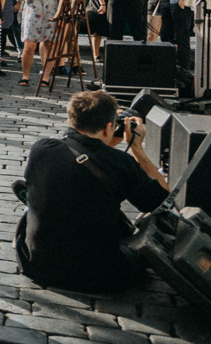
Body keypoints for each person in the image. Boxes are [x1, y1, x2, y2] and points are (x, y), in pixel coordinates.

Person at [17, 90, 169, 292]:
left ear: (72, 119)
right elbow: (162, 202)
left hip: (37, 264)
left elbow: (86, 156)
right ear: (108, 127)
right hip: (96, 275)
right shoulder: (122, 164)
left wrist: (106, 140)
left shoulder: (42, 148)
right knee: (142, 249)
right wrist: (137, 149)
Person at [17, 0, 61, 87]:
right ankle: (25, 76)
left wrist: (59, 16)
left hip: (50, 12)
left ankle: (46, 76)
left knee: (49, 44)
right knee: (29, 45)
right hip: (32, 11)